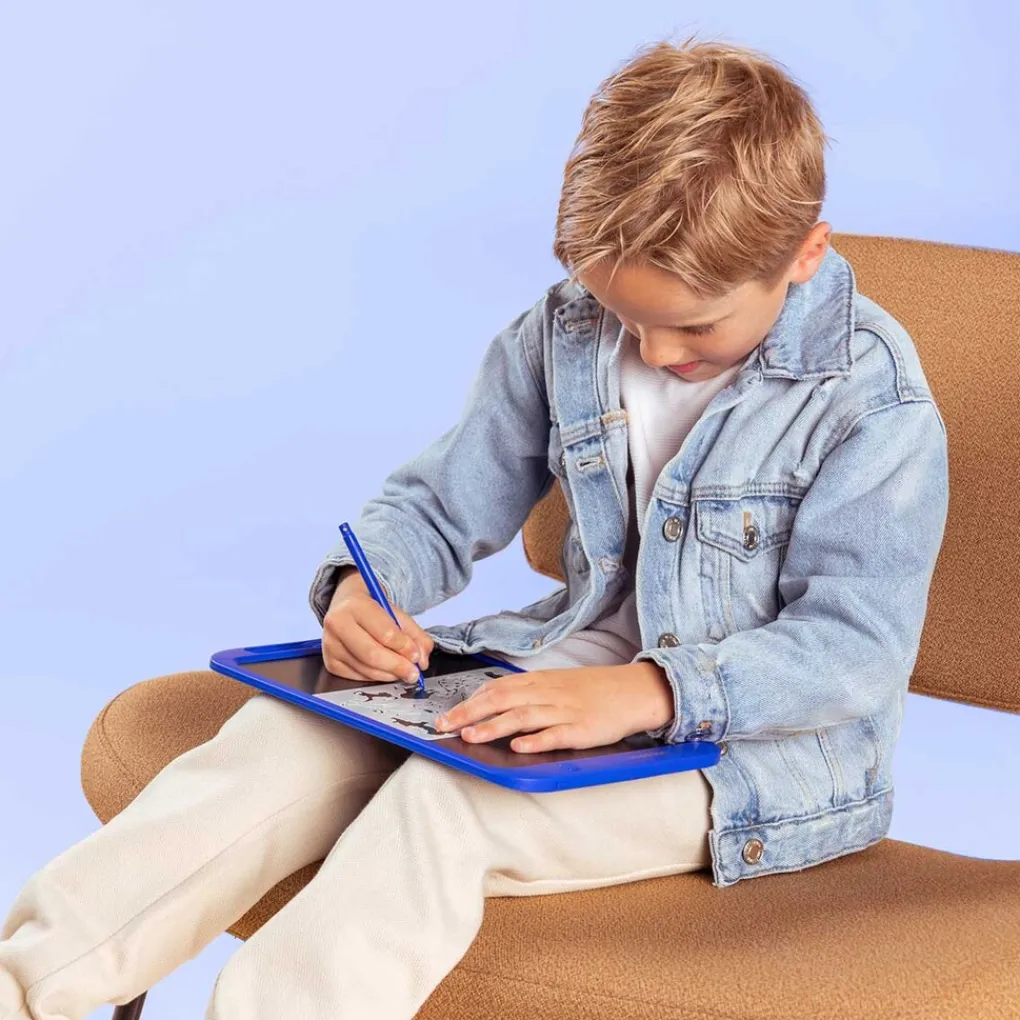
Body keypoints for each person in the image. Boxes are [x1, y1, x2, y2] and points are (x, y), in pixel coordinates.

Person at [0, 38, 949, 1020]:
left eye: (696, 327)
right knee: (281, 743)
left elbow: (855, 650)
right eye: (627, 316)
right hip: (552, 671)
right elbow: (443, 502)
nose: (655, 351)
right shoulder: (571, 330)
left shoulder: (870, 399)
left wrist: (647, 690)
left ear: (805, 254)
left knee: (446, 805)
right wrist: (366, 589)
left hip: (753, 759)